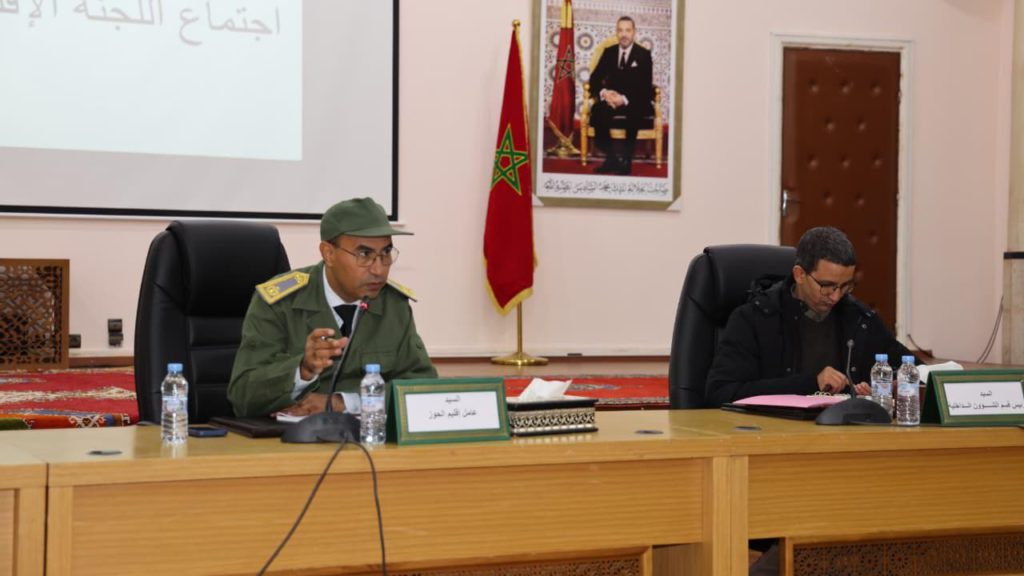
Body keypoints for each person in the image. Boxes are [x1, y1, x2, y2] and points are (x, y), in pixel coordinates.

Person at [228, 197, 437, 418]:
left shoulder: (393, 304)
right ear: (328, 253)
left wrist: (344, 403)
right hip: (290, 436)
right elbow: (242, 397)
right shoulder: (280, 303)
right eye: (364, 254)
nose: (378, 269)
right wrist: (302, 370)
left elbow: (422, 388)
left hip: (369, 433)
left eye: (385, 253)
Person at [705, 226, 912, 408]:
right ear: (800, 275)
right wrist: (811, 383)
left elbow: (914, 368)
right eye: (827, 286)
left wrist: (892, 385)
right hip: (774, 434)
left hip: (846, 433)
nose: (836, 297)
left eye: (845, 286)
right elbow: (720, 393)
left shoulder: (860, 319)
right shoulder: (754, 319)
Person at [588, 15, 653, 175]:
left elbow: (645, 87)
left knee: (635, 111)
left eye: (627, 30)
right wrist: (605, 93)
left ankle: (626, 160)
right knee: (597, 111)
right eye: (620, 30)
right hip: (611, 99)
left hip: (634, 100)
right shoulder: (609, 52)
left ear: (634, 32)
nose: (624, 34)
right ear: (616, 32)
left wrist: (623, 99)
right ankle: (611, 158)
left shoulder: (643, 55)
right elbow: (594, 78)